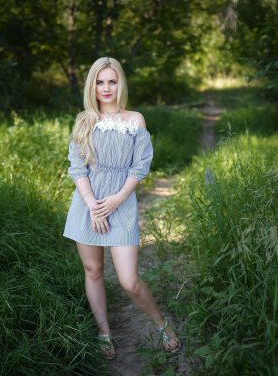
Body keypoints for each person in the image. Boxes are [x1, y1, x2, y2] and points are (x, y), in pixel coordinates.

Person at [63, 57, 181, 359]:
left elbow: (140, 167)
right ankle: (104, 334)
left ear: (120, 83)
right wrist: (93, 206)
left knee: (129, 280)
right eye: (100, 82)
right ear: (92, 85)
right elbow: (78, 169)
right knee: (93, 270)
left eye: (111, 81)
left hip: (121, 204)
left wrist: (115, 200)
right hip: (88, 206)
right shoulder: (84, 121)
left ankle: (162, 324)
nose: (106, 88)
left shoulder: (135, 120)